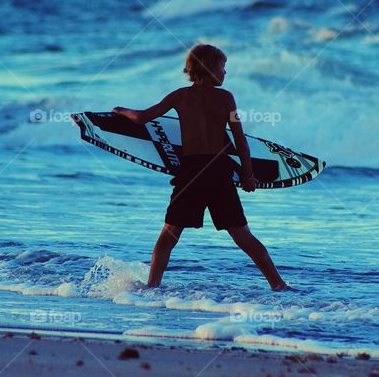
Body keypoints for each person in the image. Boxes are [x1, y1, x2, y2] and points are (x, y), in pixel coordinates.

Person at [113, 44, 291, 291]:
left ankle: (152, 286)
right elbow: (240, 140)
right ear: (209, 68)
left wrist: (121, 111)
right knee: (242, 236)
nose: (225, 73)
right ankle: (278, 285)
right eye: (222, 67)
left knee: (169, 235)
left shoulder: (179, 96)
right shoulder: (226, 98)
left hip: (191, 172)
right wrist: (248, 174)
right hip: (218, 171)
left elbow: (143, 117)